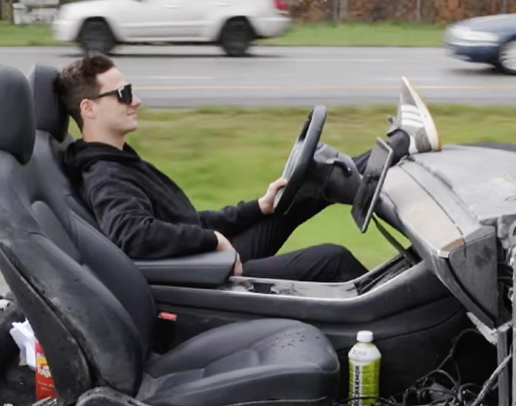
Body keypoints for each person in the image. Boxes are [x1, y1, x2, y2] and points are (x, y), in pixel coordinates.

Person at [54, 53, 368, 283]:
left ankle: (392, 156)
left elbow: (189, 221)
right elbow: (132, 234)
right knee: (333, 259)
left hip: (203, 257)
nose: (136, 100)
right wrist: (213, 241)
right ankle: (411, 329)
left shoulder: (119, 159)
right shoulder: (105, 173)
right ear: (88, 108)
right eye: (123, 94)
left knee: (301, 191)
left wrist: (257, 207)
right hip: (201, 275)